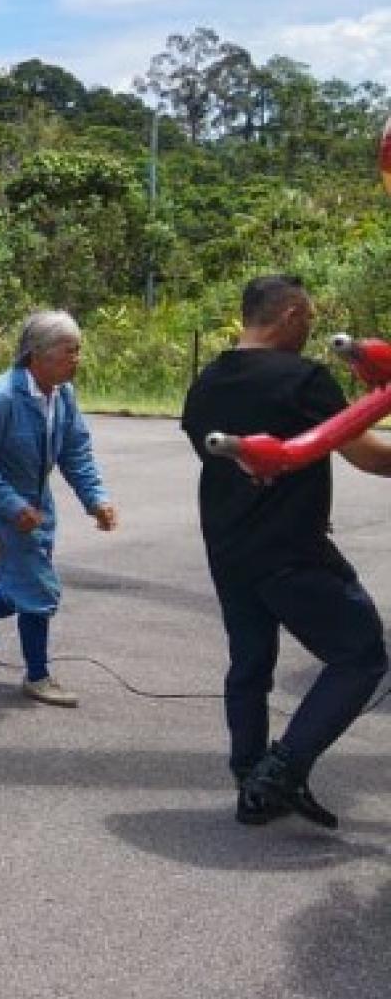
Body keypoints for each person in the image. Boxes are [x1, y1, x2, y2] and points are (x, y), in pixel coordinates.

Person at [180, 275, 391, 829]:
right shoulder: (303, 379)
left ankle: (250, 776)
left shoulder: (206, 381)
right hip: (292, 550)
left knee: (250, 662)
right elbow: (367, 455)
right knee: (362, 654)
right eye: (311, 317)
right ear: (292, 313)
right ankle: (281, 771)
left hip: (228, 547)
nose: (314, 328)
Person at [0, 310, 118, 707]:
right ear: (37, 355)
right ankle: (37, 675)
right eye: (69, 351)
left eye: (78, 350)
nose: (77, 359)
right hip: (2, 506)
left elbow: (75, 450)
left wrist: (96, 499)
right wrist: (11, 505)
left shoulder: (62, 394)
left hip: (37, 507)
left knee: (23, 588)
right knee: (36, 587)